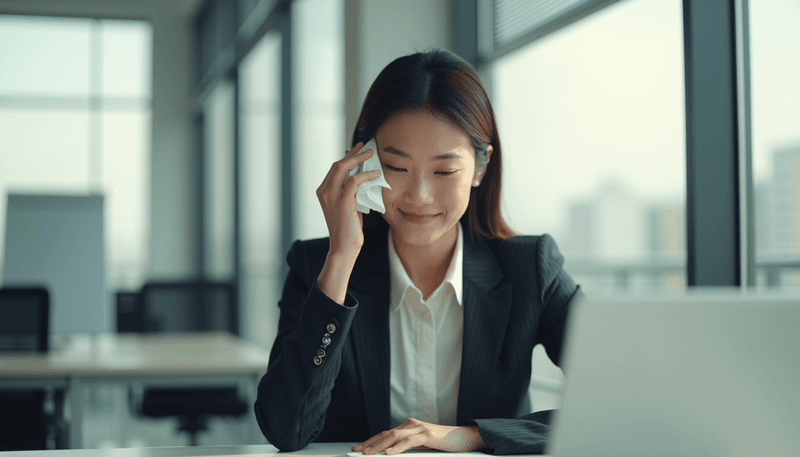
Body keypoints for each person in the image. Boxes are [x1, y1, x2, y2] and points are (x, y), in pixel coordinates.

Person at [254, 48, 582, 455]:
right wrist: (340, 259)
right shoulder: (316, 267)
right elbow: (286, 429)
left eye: (444, 171)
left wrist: (471, 436)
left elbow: (625, 399)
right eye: (395, 167)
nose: (419, 196)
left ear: (480, 168)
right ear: (363, 160)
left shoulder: (532, 269)